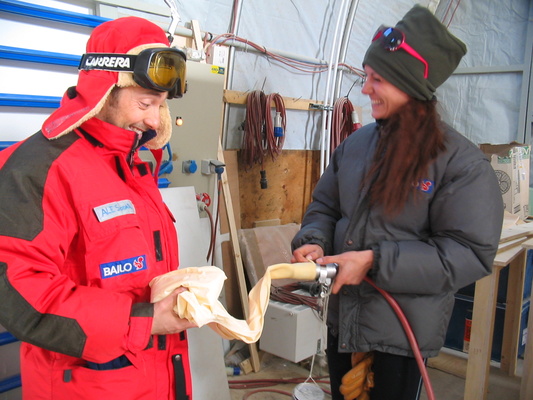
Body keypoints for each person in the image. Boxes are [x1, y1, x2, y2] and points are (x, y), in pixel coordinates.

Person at [291, 5, 504, 400]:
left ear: (409, 85)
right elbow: (324, 207)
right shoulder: (356, 145)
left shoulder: (462, 164)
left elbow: (469, 253)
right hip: (345, 322)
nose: (365, 89)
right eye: (366, 77)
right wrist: (314, 239)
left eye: (377, 79)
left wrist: (374, 261)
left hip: (401, 335)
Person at [0, 16, 197, 399]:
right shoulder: (38, 168)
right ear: (106, 87)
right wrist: (146, 321)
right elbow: (19, 293)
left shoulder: (132, 164)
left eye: (159, 106)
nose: (154, 121)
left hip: (156, 379)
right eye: (145, 103)